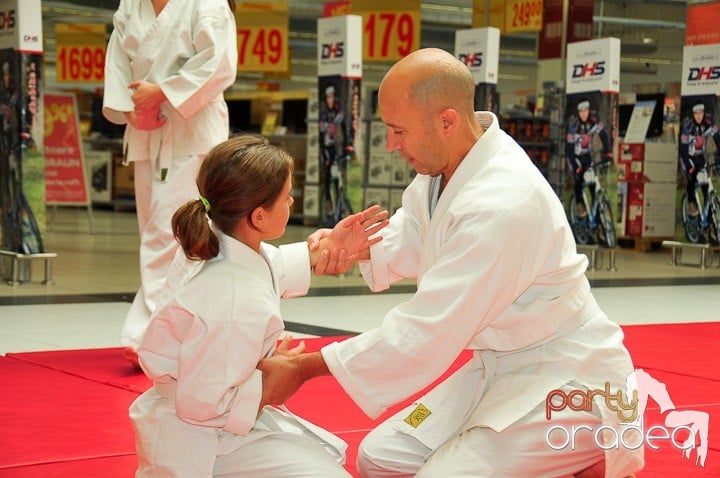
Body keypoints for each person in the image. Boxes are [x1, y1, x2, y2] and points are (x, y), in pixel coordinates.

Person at [258, 48, 643, 478]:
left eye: (398, 130)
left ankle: (592, 453)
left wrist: (303, 367)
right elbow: (419, 236)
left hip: (571, 376)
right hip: (494, 369)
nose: (390, 144)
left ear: (446, 121)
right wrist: (353, 246)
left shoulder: (503, 201)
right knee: (378, 458)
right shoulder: (445, 170)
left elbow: (429, 329)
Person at [130, 133, 388, 477]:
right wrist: (273, 376)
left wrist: (323, 250)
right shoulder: (235, 295)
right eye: (286, 197)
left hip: (202, 420)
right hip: (203, 443)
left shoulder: (213, 242)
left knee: (322, 459)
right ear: (259, 217)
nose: (292, 202)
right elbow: (204, 404)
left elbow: (273, 266)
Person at [102, 0, 238, 363]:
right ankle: (184, 328)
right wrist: (133, 109)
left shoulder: (207, 4)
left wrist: (161, 92)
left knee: (168, 230)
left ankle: (148, 334)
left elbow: (219, 64)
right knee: (155, 228)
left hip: (192, 131)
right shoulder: (131, 6)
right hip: (147, 130)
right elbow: (117, 62)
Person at [566, 97, 613, 218]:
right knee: (579, 180)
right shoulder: (574, 125)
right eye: (581, 112)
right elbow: (570, 149)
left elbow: (603, 134)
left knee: (593, 185)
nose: (583, 114)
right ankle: (579, 204)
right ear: (578, 112)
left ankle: (597, 219)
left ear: (588, 111)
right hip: (575, 156)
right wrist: (576, 167)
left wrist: (608, 152)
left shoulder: (594, 119)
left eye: (585, 111)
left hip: (587, 155)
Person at [319, 83, 354, 227]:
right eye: (328, 97)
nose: (330, 100)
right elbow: (322, 134)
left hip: (339, 152)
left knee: (341, 183)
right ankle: (329, 207)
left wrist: (347, 147)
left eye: (331, 97)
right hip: (327, 151)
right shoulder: (323, 114)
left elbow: (346, 130)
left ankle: (343, 210)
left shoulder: (340, 114)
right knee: (328, 182)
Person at [679, 100, 720, 223]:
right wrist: (689, 166)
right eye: (696, 113)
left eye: (700, 113)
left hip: (700, 156)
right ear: (693, 114)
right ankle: (691, 202)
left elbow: (718, 138)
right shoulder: (688, 127)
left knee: (705, 186)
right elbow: (683, 150)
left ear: (703, 113)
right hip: (688, 157)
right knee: (692, 177)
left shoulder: (709, 122)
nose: (698, 116)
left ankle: (709, 222)